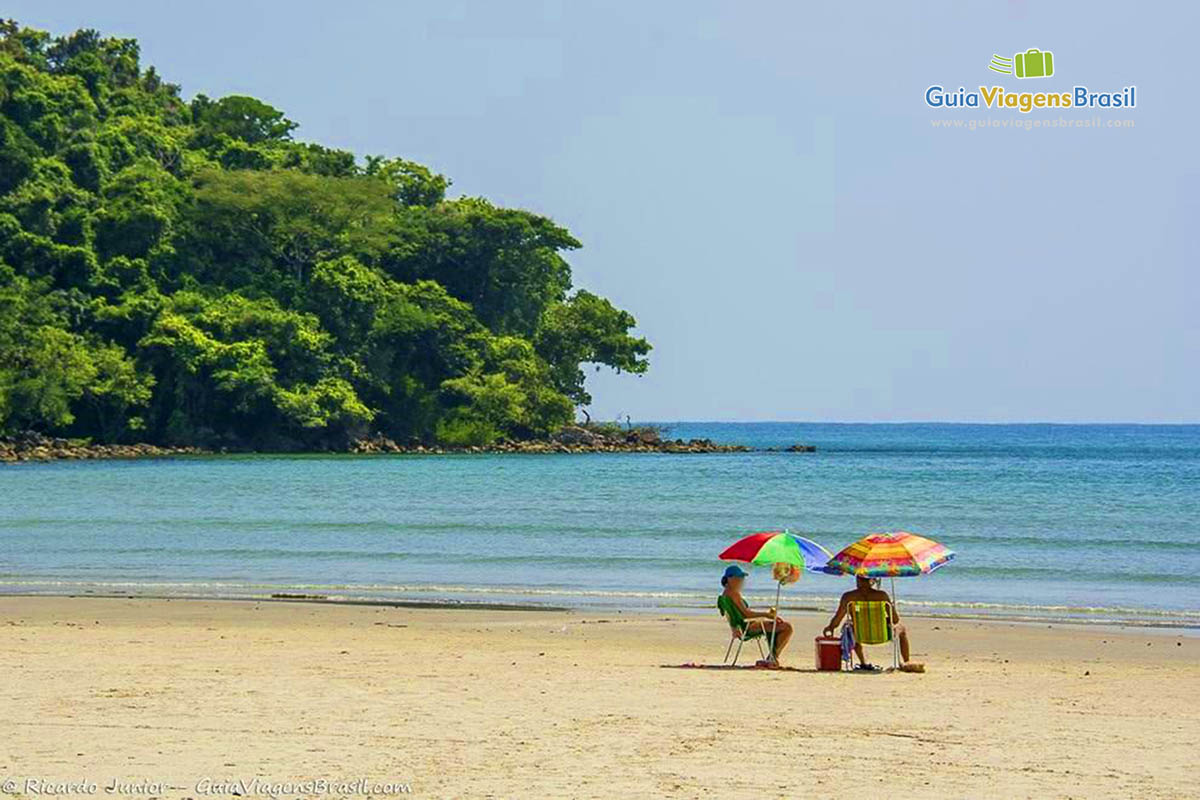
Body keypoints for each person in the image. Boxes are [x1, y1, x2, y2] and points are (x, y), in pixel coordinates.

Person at [822, 576, 925, 672]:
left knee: (851, 626)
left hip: (859, 635)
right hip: (882, 634)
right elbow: (895, 620)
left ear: (857, 579)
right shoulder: (881, 595)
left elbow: (838, 619)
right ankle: (906, 661)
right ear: (872, 580)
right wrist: (891, 607)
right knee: (902, 629)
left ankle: (863, 663)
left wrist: (830, 627)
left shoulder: (848, 597)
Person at [720, 565, 793, 666]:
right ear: (730, 579)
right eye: (739, 578)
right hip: (748, 627)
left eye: (742, 578)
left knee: (776, 626)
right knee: (787, 627)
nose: (741, 580)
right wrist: (767, 615)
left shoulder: (724, 595)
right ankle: (773, 658)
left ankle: (772, 657)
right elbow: (746, 614)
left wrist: (733, 627)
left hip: (743, 626)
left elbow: (732, 615)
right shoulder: (733, 593)